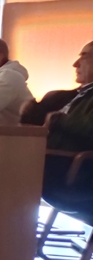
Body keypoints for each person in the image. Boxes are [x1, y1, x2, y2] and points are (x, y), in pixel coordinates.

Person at [43, 41, 93, 196]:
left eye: (84, 57)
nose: (75, 64)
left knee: (0, 164)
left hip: (76, 169)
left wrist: (58, 119)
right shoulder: (78, 94)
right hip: (53, 159)